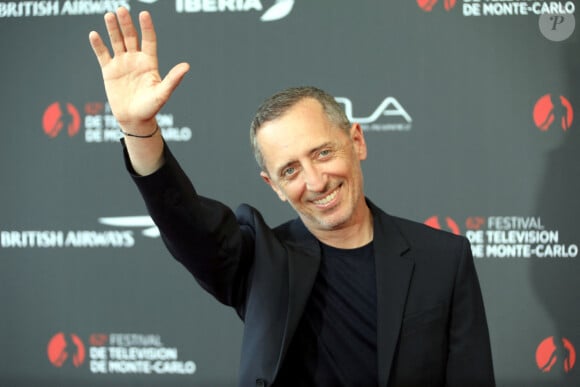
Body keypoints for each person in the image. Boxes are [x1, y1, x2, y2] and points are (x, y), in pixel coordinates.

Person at [89, 7, 495, 387]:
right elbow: (185, 222)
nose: (316, 181)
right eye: (290, 170)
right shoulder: (260, 262)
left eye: (322, 153)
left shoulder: (444, 258)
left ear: (356, 141)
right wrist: (139, 130)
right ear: (274, 187)